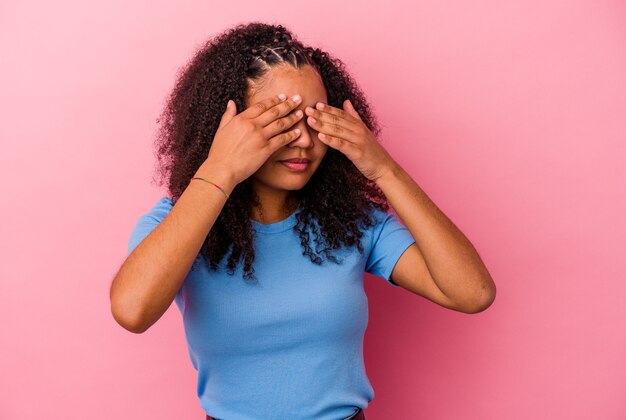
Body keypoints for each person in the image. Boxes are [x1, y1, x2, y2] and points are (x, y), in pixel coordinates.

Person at [110, 22, 496, 420]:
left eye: (315, 119)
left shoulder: (351, 222)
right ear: (228, 127)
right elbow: (132, 311)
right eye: (279, 120)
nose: (304, 140)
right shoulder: (179, 220)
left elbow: (472, 293)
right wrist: (221, 168)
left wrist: (384, 170)